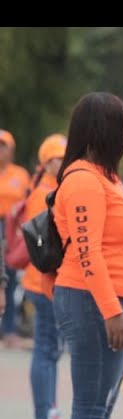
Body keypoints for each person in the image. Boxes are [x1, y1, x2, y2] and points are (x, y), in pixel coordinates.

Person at [52, 92, 123, 419]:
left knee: (100, 409)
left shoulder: (106, 178)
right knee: (91, 408)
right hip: (90, 301)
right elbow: (87, 252)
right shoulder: (83, 181)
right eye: (121, 126)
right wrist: (111, 312)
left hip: (110, 302)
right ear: (107, 131)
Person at [23, 134, 68, 419]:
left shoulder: (48, 190)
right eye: (57, 159)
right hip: (44, 283)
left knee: (47, 349)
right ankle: (45, 418)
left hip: (39, 282)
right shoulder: (45, 194)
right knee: (47, 350)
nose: (63, 163)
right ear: (46, 162)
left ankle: (46, 416)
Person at [0, 129, 31, 348]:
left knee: (9, 280)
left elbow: (27, 205)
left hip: (11, 230)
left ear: (11, 150)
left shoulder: (20, 175)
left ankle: (8, 330)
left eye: (3, 146)